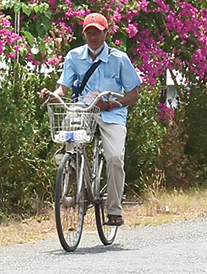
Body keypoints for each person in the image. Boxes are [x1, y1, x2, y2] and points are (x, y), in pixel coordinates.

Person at [41, 13, 144, 226]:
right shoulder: (74, 56)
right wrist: (53, 95)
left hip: (112, 112)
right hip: (84, 109)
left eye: (97, 32)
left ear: (106, 33)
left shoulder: (119, 59)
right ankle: (72, 163)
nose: (93, 36)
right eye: (89, 32)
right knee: (70, 116)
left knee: (115, 157)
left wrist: (111, 104)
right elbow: (63, 88)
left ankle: (114, 209)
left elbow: (134, 94)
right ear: (84, 33)